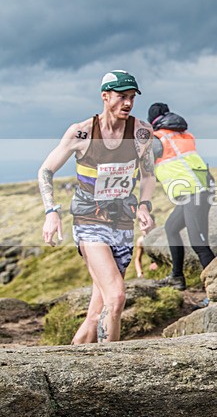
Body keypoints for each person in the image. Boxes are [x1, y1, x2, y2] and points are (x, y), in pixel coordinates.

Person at [39, 70, 156, 343]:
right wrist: (51, 212)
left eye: (131, 97)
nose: (127, 103)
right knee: (116, 297)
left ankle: (70, 361)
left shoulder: (141, 132)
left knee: (98, 311)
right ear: (105, 97)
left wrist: (144, 206)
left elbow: (148, 174)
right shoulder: (81, 132)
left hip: (122, 223)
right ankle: (109, 367)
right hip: (89, 222)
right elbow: (46, 171)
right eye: (121, 96)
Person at [148, 102, 215, 290]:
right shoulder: (184, 135)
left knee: (199, 245)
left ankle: (216, 290)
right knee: (171, 228)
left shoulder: (158, 139)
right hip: (197, 190)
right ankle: (176, 277)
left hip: (195, 193)